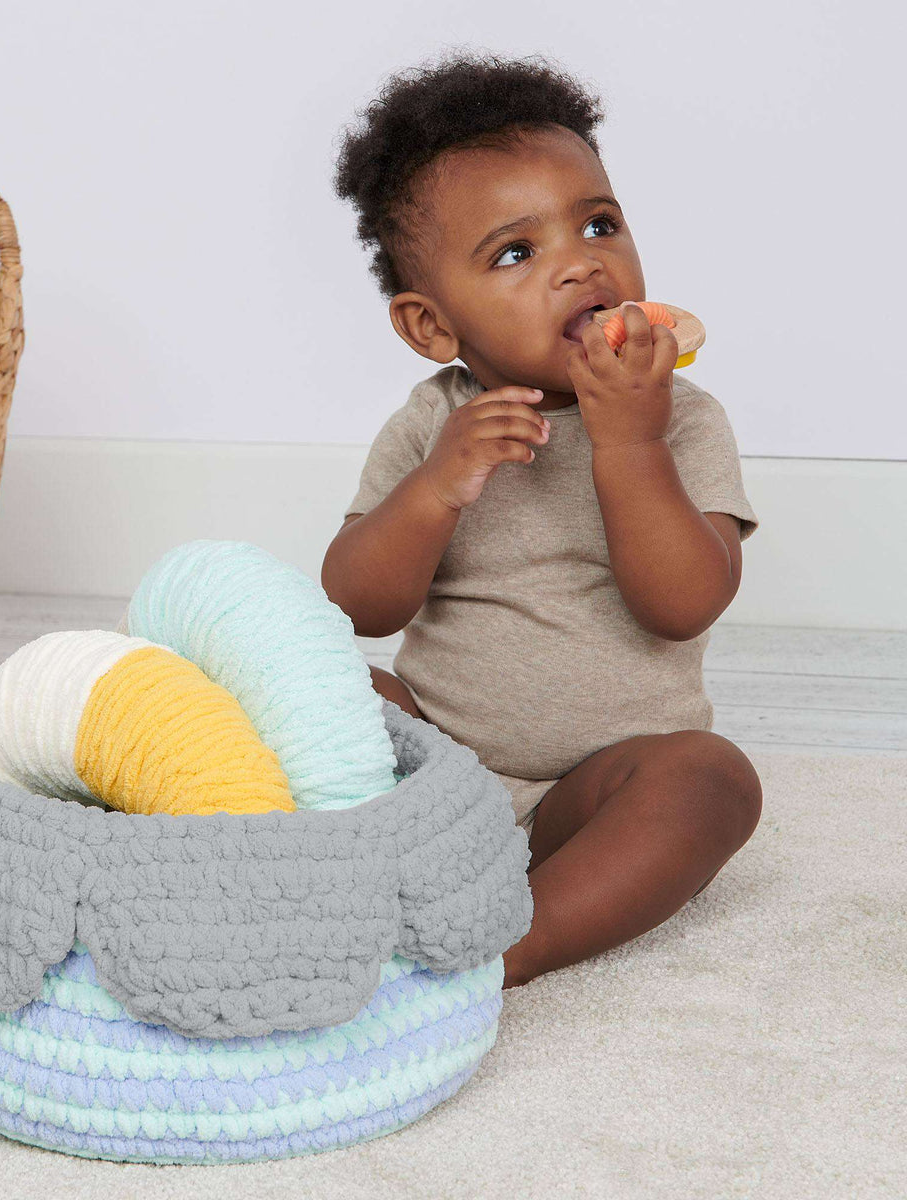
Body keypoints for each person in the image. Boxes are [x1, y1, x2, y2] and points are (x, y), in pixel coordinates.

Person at [322, 51, 763, 989]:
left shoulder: (682, 419)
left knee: (712, 782)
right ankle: (359, 873)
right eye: (517, 254)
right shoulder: (432, 424)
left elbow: (684, 604)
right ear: (433, 326)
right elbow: (357, 603)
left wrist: (629, 447)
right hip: (436, 771)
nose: (582, 265)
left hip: (594, 792)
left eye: (598, 223)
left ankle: (513, 948)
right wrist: (438, 488)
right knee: (319, 685)